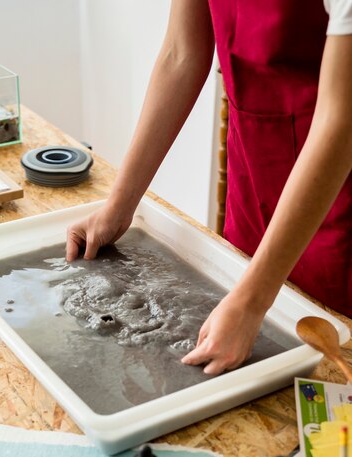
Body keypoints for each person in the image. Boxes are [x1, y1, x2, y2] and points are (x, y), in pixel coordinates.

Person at [66, 0, 352, 376]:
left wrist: (251, 303)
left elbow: (340, 121)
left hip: (335, 189)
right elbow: (180, 54)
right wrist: (120, 204)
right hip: (253, 175)